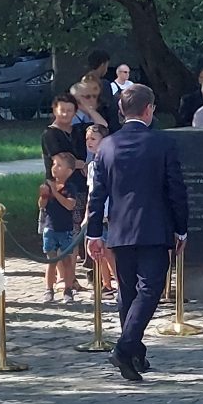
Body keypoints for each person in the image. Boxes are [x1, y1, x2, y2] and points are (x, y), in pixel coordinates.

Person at [86, 84, 188, 382]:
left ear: (121, 112)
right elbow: (176, 190)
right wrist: (181, 228)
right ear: (149, 109)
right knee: (150, 290)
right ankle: (125, 347)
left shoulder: (107, 146)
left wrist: (94, 233)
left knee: (128, 291)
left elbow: (97, 194)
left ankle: (134, 352)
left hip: (119, 227)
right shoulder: (162, 143)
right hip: (155, 227)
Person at [38, 152, 79, 303]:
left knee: (67, 260)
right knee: (51, 260)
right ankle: (49, 289)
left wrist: (55, 192)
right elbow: (42, 206)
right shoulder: (48, 185)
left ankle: (68, 289)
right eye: (54, 164)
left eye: (59, 165)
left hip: (65, 228)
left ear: (69, 171)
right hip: (50, 227)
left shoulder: (70, 188)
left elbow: (70, 205)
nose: (55, 168)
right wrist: (43, 196)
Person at [84, 124, 116, 297]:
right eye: (87, 139)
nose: (89, 142)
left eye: (93, 138)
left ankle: (119, 281)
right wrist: (87, 215)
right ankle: (106, 283)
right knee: (99, 251)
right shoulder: (91, 165)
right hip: (97, 213)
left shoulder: (108, 162)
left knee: (109, 251)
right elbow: (92, 193)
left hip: (108, 212)